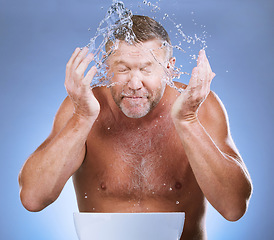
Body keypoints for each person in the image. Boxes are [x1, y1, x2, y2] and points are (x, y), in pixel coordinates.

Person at [18, 15, 252, 239]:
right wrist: (81, 118)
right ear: (106, 68)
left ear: (169, 68)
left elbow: (233, 208)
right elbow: (33, 198)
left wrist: (188, 121)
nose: (135, 84)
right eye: (123, 69)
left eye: (147, 68)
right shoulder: (81, 106)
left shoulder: (199, 106)